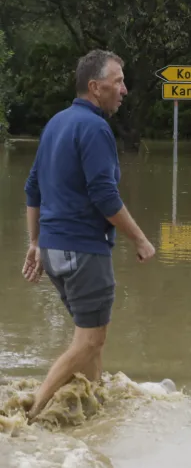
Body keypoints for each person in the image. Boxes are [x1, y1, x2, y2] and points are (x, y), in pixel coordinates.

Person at [21, 49, 156, 420]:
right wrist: (140, 239)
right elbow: (105, 196)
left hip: (54, 250)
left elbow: (33, 188)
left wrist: (35, 243)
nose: (124, 89)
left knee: (92, 341)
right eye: (118, 82)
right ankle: (32, 411)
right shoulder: (95, 128)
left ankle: (95, 409)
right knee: (91, 340)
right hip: (83, 252)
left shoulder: (56, 123)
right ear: (96, 87)